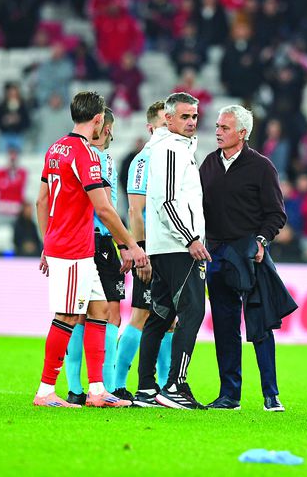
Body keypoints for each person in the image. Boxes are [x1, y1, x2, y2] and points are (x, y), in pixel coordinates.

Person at [32, 90, 147, 408]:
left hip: (69, 244)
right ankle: (45, 391)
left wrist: (47, 240)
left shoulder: (55, 148)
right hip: (72, 248)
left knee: (98, 312)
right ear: (98, 120)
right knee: (68, 315)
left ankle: (97, 391)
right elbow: (105, 209)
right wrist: (131, 245)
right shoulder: (84, 153)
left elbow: (42, 200)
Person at [199, 105, 297, 412]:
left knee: (260, 324)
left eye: (225, 128)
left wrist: (261, 240)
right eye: (217, 126)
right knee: (225, 327)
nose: (218, 131)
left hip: (248, 253)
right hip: (216, 253)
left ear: (243, 133)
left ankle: (271, 394)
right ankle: (230, 395)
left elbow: (276, 214)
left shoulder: (262, 167)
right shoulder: (209, 164)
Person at [133, 92, 210, 409]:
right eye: (185, 116)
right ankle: (175, 386)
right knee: (193, 312)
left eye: (194, 116)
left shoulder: (173, 148)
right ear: (168, 119)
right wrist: (191, 238)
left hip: (165, 246)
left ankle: (146, 389)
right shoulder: (170, 150)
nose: (191, 122)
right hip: (179, 247)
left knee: (160, 316)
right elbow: (166, 201)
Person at [63, 108, 127, 405]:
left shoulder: (104, 158)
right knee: (95, 313)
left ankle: (90, 388)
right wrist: (125, 242)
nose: (111, 133)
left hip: (96, 241)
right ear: (102, 126)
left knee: (93, 313)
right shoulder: (90, 158)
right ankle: (91, 387)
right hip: (95, 240)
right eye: (109, 127)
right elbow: (102, 208)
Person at [112, 101, 174, 399]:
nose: (170, 128)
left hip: (174, 248)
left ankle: (165, 386)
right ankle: (117, 383)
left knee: (171, 319)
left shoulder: (175, 157)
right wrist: (140, 252)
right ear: (151, 128)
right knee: (141, 314)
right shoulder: (143, 160)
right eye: (164, 124)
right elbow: (135, 211)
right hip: (151, 249)